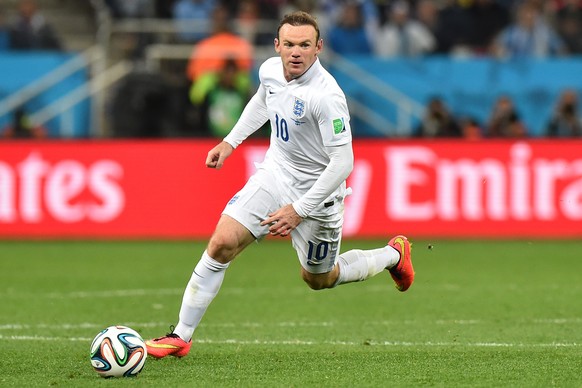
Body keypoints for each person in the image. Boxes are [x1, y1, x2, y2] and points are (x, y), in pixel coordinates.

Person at [145, 11, 414, 359]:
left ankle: (394, 255)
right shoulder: (270, 70)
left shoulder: (327, 96)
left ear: (318, 48)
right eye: (289, 44)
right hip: (276, 173)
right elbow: (263, 100)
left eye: (305, 45)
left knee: (319, 278)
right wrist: (231, 141)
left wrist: (299, 210)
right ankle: (181, 336)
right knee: (221, 243)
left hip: (319, 198)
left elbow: (343, 163)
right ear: (277, 46)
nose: (296, 52)